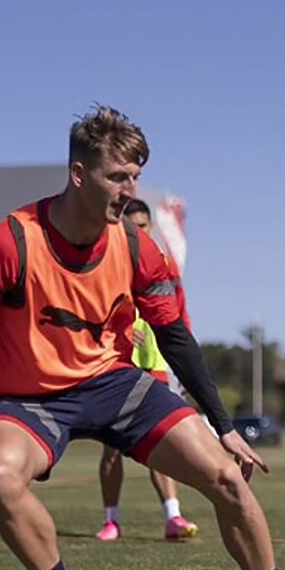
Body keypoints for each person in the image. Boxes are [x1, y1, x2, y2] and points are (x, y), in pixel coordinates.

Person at [0, 105, 285, 570]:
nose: (129, 189)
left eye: (136, 176)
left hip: (114, 384)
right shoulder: (10, 243)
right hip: (30, 397)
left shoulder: (138, 246)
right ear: (79, 175)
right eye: (118, 176)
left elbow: (175, 337)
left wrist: (225, 427)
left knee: (225, 475)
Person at [93, 199, 200, 543]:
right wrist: (119, 330)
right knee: (111, 449)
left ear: (150, 228)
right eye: (131, 226)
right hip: (117, 364)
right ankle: (112, 521)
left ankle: (173, 517)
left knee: (159, 442)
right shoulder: (107, 264)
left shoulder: (164, 266)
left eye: (143, 226)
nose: (137, 232)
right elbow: (91, 313)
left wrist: (185, 362)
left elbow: (179, 319)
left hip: (157, 368)